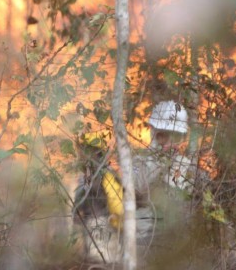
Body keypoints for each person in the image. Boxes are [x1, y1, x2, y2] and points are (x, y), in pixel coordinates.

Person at [73, 100, 214, 265]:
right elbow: (129, 189)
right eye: (163, 134)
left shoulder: (190, 168)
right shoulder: (138, 163)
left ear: (182, 137)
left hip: (181, 245)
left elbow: (206, 204)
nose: (168, 141)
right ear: (154, 132)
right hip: (145, 242)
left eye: (174, 136)